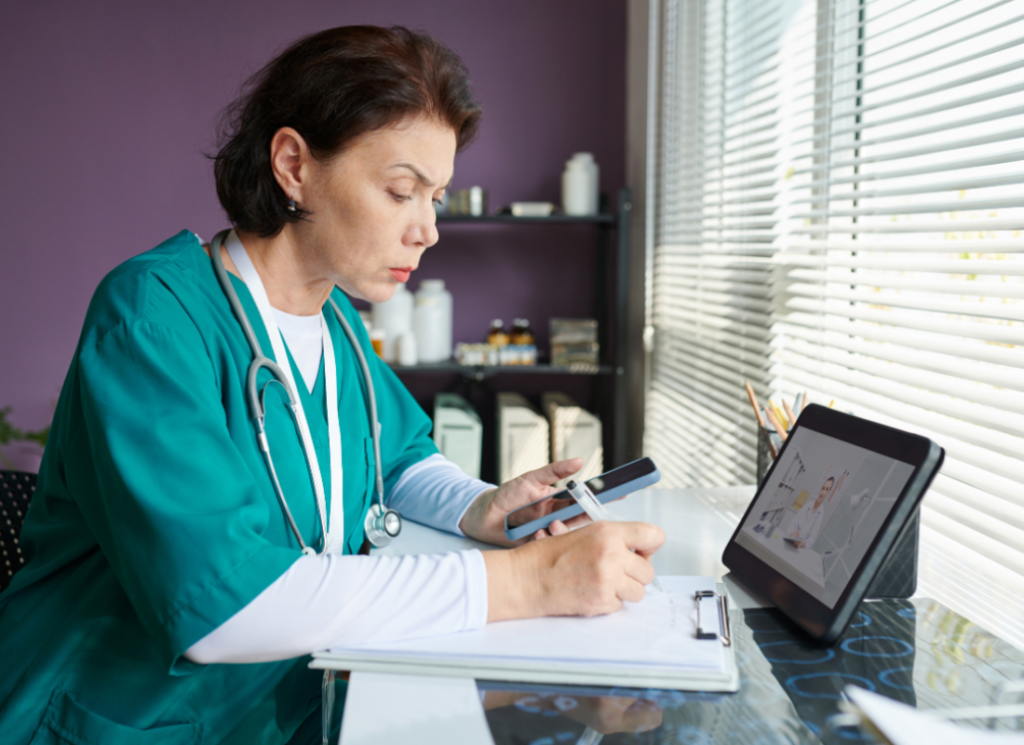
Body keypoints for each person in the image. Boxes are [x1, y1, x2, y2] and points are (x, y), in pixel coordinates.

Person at [0, 25, 663, 745]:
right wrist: (532, 581)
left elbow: (396, 456)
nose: (428, 230)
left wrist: (482, 506)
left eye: (435, 197)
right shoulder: (152, 318)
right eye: (401, 191)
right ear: (293, 165)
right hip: (108, 717)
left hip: (273, 708)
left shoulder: (336, 318)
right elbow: (226, 607)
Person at [787, 476, 835, 549]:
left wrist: (802, 544)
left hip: (800, 547)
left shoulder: (820, 513)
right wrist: (792, 534)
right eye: (823, 488)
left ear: (829, 492)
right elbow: (793, 523)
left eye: (826, 489)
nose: (823, 492)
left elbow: (812, 538)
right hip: (791, 539)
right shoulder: (808, 504)